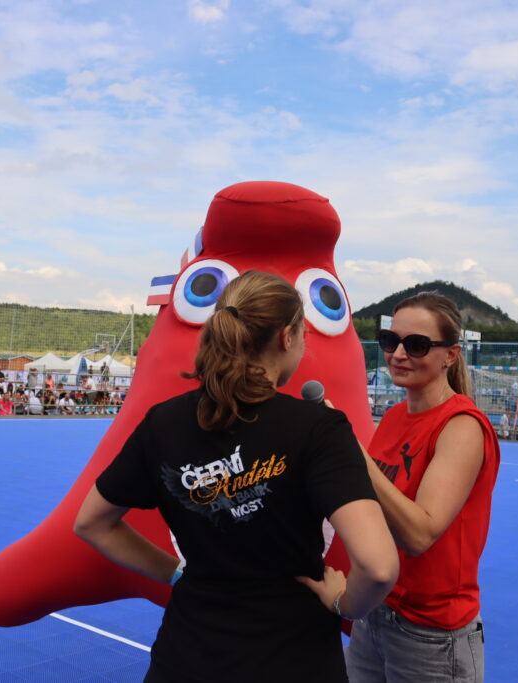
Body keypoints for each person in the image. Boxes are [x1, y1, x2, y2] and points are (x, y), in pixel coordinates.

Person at [74, 271, 399, 683]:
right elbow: (378, 566)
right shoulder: (319, 428)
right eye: (303, 334)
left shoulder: (164, 423)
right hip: (294, 657)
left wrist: (175, 572)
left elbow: (92, 523)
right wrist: (345, 604)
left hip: (187, 655)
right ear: (286, 337)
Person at [346, 292, 500, 683]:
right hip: (375, 612)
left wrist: (355, 457)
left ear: (450, 355)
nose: (398, 354)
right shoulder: (394, 417)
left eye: (416, 345)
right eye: (390, 341)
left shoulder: (462, 427)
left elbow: (420, 534)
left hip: (432, 635)